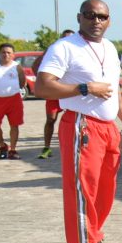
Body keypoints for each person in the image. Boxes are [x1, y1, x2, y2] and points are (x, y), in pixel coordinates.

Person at [35, 0, 122, 243]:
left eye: (102, 16)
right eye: (91, 15)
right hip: (82, 126)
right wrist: (84, 88)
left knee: (105, 190)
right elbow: (43, 86)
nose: (97, 21)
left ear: (109, 20)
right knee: (82, 192)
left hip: (108, 128)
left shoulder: (108, 47)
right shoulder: (64, 47)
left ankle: (93, 237)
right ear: (79, 17)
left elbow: (114, 90)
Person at [35, 29, 75, 159]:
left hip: (71, 92)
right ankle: (46, 147)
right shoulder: (54, 50)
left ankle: (75, 146)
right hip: (55, 93)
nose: (66, 40)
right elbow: (35, 67)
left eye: (69, 38)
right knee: (51, 119)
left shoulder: (77, 51)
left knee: (75, 120)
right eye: (64, 38)